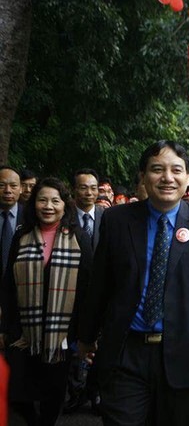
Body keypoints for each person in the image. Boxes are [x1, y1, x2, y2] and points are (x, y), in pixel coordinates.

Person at [77, 140, 189, 425]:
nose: (167, 177)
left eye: (176, 170)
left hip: (183, 353)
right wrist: (86, 336)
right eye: (157, 169)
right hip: (126, 351)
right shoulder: (116, 220)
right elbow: (99, 284)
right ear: (143, 176)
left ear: (188, 177)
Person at [0, 177, 93, 426]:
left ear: (65, 205)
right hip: (23, 333)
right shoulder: (22, 236)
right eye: (42, 200)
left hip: (61, 336)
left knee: (53, 396)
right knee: (18, 394)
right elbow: (8, 284)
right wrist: (6, 327)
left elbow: (87, 290)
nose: (48, 206)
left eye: (55, 200)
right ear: (34, 204)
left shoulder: (79, 238)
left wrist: (83, 334)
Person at [65, 168, 104, 414]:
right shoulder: (64, 218)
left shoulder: (108, 217)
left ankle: (96, 392)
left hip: (101, 294)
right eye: (83, 187)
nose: (88, 193)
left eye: (93, 188)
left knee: (100, 346)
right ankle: (75, 392)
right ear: (73, 190)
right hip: (70, 294)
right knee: (72, 346)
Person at [0, 166, 24, 278]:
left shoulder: (30, 217)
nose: (8, 190)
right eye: (1, 185)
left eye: (13, 186)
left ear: (21, 188)